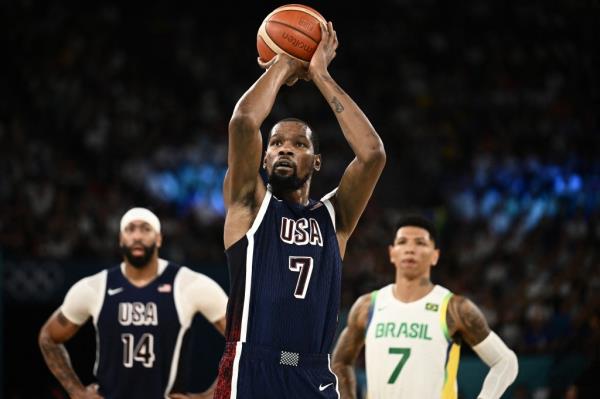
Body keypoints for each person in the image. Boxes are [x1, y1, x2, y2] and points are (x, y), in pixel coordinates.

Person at [214, 21, 385, 399]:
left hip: (312, 372)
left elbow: (372, 154)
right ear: (264, 157)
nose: (285, 148)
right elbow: (243, 122)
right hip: (251, 366)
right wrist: (284, 62)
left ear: (318, 162)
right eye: (275, 143)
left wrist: (321, 75)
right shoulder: (248, 205)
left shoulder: (334, 219)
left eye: (298, 144)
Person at [38, 207, 228, 399]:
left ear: (159, 238)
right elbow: (48, 337)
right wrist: (76, 391)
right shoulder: (95, 287)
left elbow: (243, 338)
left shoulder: (189, 284)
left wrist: (210, 396)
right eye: (130, 229)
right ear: (121, 239)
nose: (137, 236)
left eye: (146, 229)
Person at [332, 214, 519, 399]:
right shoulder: (367, 306)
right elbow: (340, 362)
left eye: (420, 243)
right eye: (402, 242)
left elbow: (506, 362)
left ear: (435, 256)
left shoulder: (454, 308)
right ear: (392, 253)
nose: (410, 249)